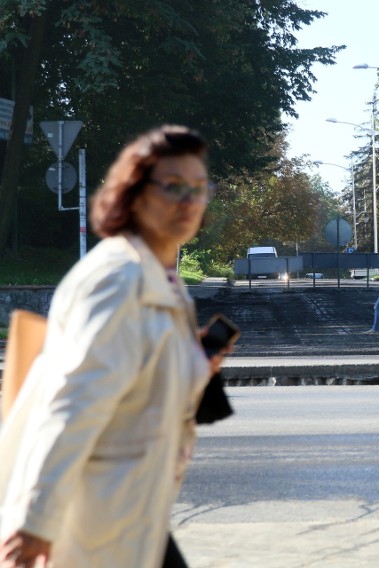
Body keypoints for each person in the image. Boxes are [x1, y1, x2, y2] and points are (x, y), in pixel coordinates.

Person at [0, 125, 226, 568]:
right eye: (173, 187)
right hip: (95, 519)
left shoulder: (163, 281)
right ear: (135, 193)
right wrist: (34, 520)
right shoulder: (117, 280)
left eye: (200, 189)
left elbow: (145, 385)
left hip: (133, 509)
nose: (189, 202)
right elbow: (70, 404)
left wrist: (195, 362)